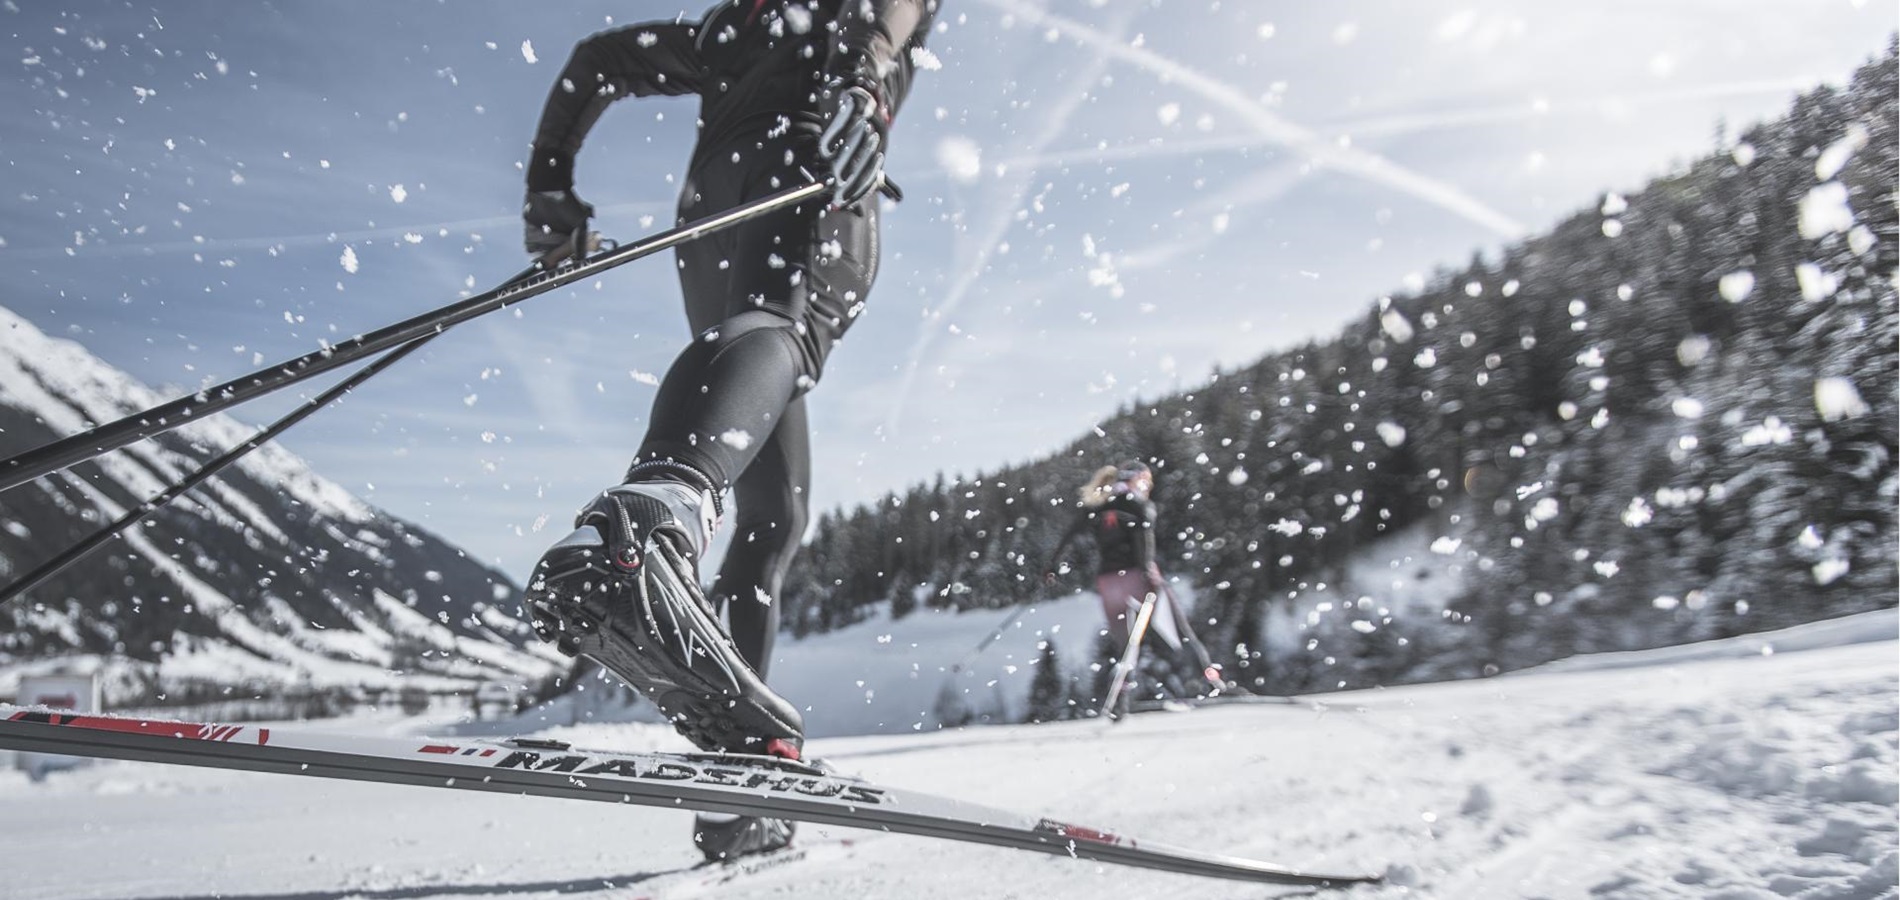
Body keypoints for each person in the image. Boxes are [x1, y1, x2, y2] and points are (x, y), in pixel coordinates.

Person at [516, 0, 938, 862]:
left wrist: (549, 185)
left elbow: (596, 59)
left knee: (775, 512)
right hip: (818, 152)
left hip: (709, 207)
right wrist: (862, 87)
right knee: (785, 333)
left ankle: (742, 776)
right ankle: (655, 517)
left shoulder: (729, 25)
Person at [1045, 461, 1224, 717]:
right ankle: (1213, 681)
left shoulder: (1099, 506)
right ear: (1136, 480)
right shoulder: (1138, 505)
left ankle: (1120, 700)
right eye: (1146, 481)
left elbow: (1070, 537)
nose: (1148, 487)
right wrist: (1146, 571)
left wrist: (1052, 567)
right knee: (1179, 630)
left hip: (1108, 582)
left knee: (1127, 645)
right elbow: (1144, 539)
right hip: (1137, 577)